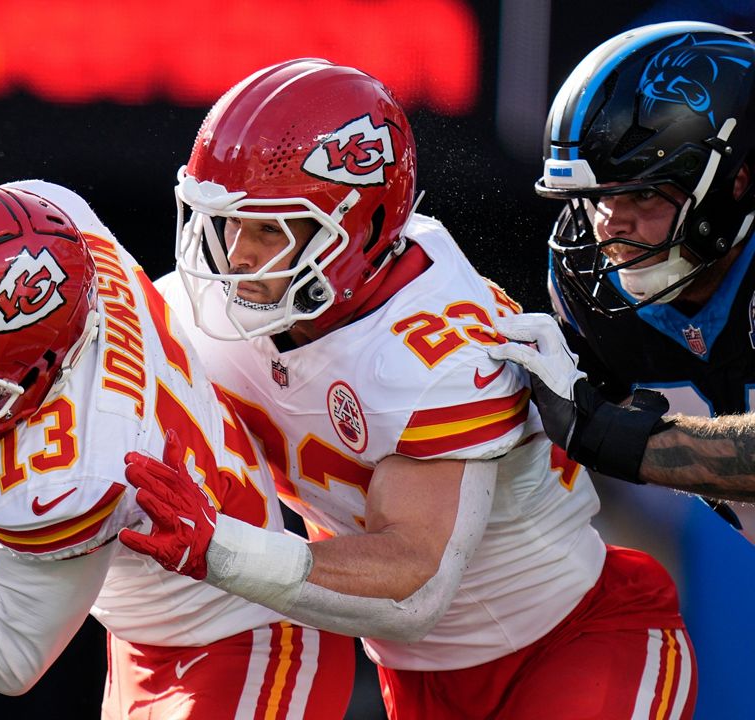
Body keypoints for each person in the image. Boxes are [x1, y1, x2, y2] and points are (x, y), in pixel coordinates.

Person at [116, 58, 696, 719]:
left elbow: (414, 588)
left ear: (357, 227)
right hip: (417, 684)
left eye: (268, 228)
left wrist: (220, 549)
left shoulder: (430, 354)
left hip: (575, 643)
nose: (237, 256)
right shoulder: (212, 310)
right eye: (227, 222)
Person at [0, 181, 357, 718]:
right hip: (150, 635)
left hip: (246, 646)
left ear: (23, 372)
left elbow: (7, 654)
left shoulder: (73, 475)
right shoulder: (53, 225)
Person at [482, 22, 755, 513]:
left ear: (736, 183)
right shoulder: (588, 283)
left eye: (643, 192)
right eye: (595, 198)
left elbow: (602, 432)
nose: (610, 224)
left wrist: (623, 440)